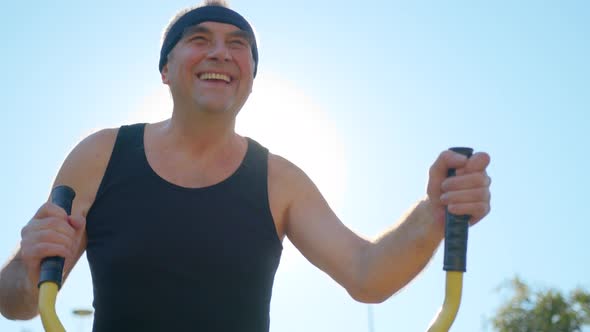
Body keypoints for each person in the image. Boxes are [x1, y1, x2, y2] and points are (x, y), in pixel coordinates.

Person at [0, 1, 492, 331]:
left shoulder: (280, 180)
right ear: (166, 70)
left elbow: (367, 275)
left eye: (238, 44)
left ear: (251, 77)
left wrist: (435, 212)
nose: (220, 51)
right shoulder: (101, 155)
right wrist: (26, 264)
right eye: (199, 38)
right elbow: (18, 302)